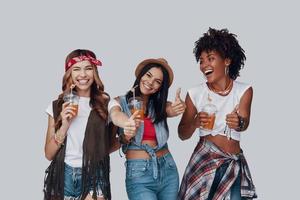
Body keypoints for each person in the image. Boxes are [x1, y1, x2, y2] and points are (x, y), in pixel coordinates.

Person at [177, 28, 257, 200]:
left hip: (233, 162)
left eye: (211, 59)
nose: (204, 65)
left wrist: (239, 122)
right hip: (205, 160)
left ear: (227, 61)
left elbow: (244, 122)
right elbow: (182, 133)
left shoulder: (244, 90)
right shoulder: (195, 93)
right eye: (201, 60)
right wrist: (195, 123)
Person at [43, 49, 118, 200]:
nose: (83, 74)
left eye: (88, 68)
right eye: (76, 69)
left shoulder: (106, 104)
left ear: (95, 72)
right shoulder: (57, 106)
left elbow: (108, 146)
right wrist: (64, 125)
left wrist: (126, 137)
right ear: (69, 74)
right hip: (62, 175)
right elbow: (49, 154)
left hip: (95, 174)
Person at [109, 58, 186, 200]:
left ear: (160, 87)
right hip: (139, 174)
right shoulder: (120, 102)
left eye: (157, 81)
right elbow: (115, 115)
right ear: (141, 75)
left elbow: (171, 109)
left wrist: (177, 108)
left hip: (168, 168)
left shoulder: (159, 106)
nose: (150, 82)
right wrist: (127, 128)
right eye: (148, 75)